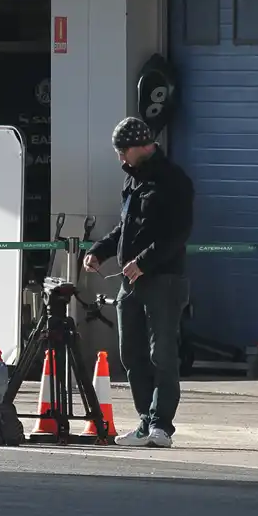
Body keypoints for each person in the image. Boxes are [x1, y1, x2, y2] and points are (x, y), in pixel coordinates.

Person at [83, 116, 193, 448]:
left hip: (163, 279)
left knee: (162, 354)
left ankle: (161, 426)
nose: (121, 159)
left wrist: (143, 263)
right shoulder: (133, 182)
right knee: (130, 353)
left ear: (143, 146)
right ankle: (145, 420)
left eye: (124, 151)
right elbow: (124, 228)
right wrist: (100, 251)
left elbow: (178, 233)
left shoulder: (173, 181)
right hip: (130, 283)